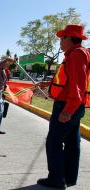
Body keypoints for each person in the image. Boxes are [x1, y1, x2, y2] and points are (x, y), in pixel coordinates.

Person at [37, 24, 90, 189]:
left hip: (68, 106)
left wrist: (68, 110)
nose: (60, 41)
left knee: (53, 142)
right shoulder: (80, 54)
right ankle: (68, 177)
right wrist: (49, 83)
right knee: (72, 143)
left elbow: (78, 85)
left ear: (71, 38)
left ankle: (56, 179)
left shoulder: (76, 54)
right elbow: (69, 81)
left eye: (62, 37)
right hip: (74, 106)